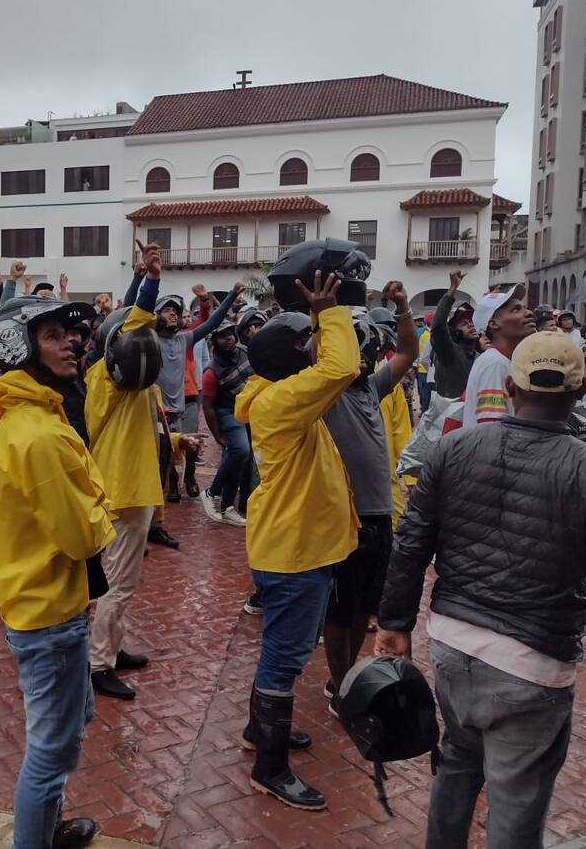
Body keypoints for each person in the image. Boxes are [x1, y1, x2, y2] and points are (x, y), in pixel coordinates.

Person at [376, 332, 586, 848]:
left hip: (453, 643)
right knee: (515, 797)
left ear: (510, 387)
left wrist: (396, 625)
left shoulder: (453, 448)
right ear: (581, 394)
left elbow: (411, 543)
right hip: (533, 664)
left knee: (459, 762)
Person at [0, 295, 114, 849]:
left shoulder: (24, 415)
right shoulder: (40, 433)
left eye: (70, 333)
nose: (71, 342)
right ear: (18, 346)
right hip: (49, 615)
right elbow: (83, 535)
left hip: (42, 605)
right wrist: (104, 507)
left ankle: (48, 828)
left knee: (63, 733)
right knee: (50, 754)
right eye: (52, 334)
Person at [236, 271, 360, 810]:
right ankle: (270, 766)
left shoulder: (274, 393)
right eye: (305, 343)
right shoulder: (281, 402)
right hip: (294, 553)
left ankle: (258, 731)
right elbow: (343, 366)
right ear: (291, 361)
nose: (314, 349)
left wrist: (315, 320)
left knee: (284, 649)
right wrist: (330, 313)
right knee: (284, 658)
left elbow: (322, 364)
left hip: (298, 545)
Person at [320, 283, 418, 704]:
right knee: (339, 612)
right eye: (355, 352)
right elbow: (320, 355)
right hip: (345, 518)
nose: (363, 359)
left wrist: (401, 307)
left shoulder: (372, 388)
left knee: (363, 608)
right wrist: (327, 313)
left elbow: (409, 354)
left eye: (368, 352)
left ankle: (343, 680)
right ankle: (340, 686)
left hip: (378, 517)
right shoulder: (326, 392)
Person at [86, 243, 166, 701]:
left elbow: (140, 435)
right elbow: (131, 328)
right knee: (117, 585)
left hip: (134, 491)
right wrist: (150, 282)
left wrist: (177, 442)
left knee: (124, 582)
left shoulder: (132, 389)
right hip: (121, 493)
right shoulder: (108, 378)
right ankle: (98, 664)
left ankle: (112, 650)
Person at [153, 285, 240, 501]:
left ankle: (189, 477)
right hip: (158, 411)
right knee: (164, 454)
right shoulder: (149, 340)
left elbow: (212, 323)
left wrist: (230, 296)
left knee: (192, 444)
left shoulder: (184, 339)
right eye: (167, 310)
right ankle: (171, 484)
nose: (173, 313)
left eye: (175, 310)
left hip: (186, 404)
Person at [201, 318, 254, 525]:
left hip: (250, 409)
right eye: (223, 335)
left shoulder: (245, 352)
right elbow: (208, 407)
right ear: (214, 340)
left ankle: (228, 506)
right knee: (240, 450)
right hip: (228, 412)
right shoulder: (211, 371)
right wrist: (217, 436)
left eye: (231, 333)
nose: (229, 338)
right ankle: (212, 491)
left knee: (240, 460)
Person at [461, 285, 536, 428]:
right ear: (494, 324)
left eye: (525, 308)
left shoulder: (504, 361)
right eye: (516, 310)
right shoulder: (494, 364)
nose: (529, 313)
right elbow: (491, 429)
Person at [428, 270, 479, 400]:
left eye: (472, 322)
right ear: (454, 331)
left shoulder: (481, 358)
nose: (471, 325)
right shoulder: (449, 353)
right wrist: (453, 288)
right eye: (464, 323)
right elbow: (438, 326)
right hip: (450, 417)